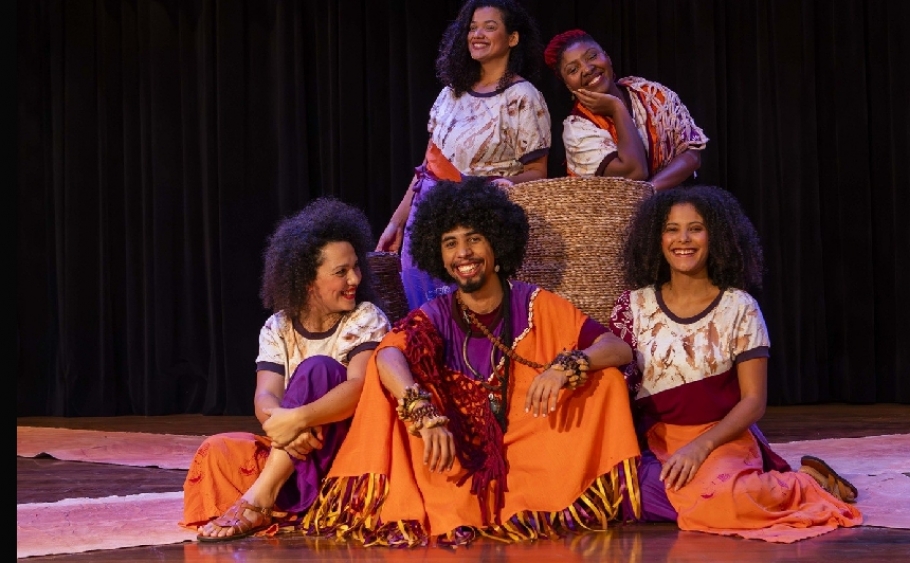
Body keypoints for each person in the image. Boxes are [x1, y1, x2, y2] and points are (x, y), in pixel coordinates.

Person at [300, 177, 641, 547]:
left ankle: (549, 496)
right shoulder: (437, 313)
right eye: (450, 243)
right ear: (439, 255)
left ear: (496, 242)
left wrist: (566, 366)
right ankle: (455, 505)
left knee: (605, 382)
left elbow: (617, 349)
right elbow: (388, 355)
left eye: (474, 239)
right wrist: (422, 411)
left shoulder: (534, 303)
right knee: (396, 398)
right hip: (454, 447)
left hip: (532, 440)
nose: (463, 253)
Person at [608, 184, 862, 543]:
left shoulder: (740, 307)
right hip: (657, 439)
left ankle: (806, 482)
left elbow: (753, 401)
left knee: (727, 497)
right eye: (671, 229)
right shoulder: (633, 305)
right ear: (656, 238)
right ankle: (720, 496)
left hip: (720, 438)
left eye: (696, 228)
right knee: (626, 494)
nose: (683, 239)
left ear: (716, 237)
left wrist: (701, 446)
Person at [181, 197, 392, 542]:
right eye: (341, 272)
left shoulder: (366, 318)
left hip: (346, 448)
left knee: (318, 370)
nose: (355, 278)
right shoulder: (277, 327)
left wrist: (298, 418)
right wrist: (286, 424)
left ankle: (261, 499)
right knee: (218, 450)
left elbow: (358, 388)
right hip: (297, 450)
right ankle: (282, 498)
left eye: (356, 267)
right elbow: (265, 397)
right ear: (307, 280)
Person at [375, 0, 552, 310]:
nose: (477, 34)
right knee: (427, 317)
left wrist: (502, 184)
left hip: (476, 224)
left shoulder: (523, 97)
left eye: (489, 27)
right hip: (426, 221)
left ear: (512, 38)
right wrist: (397, 222)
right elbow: (427, 168)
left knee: (472, 314)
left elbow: (538, 172)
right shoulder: (450, 94)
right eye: (472, 28)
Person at [544, 29, 708, 192]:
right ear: (568, 85)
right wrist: (617, 108)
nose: (587, 69)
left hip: (676, 202)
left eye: (592, 56)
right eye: (573, 70)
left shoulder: (652, 95)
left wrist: (651, 190)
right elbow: (634, 173)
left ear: (607, 57)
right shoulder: (577, 131)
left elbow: (692, 154)